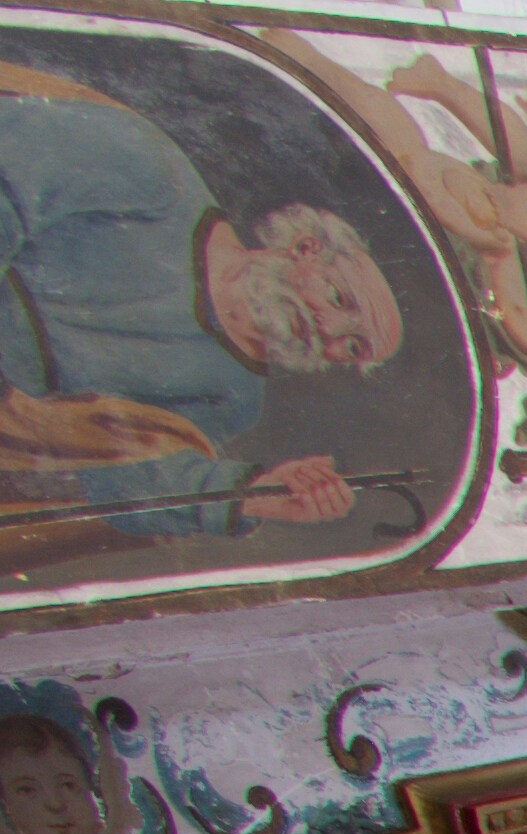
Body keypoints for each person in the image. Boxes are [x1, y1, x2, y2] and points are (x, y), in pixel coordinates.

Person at [0, 69, 396, 561]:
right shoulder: (151, 173)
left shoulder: (233, 394)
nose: (330, 331)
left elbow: (123, 470)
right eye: (341, 299)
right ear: (306, 247)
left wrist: (252, 493)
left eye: (354, 346)